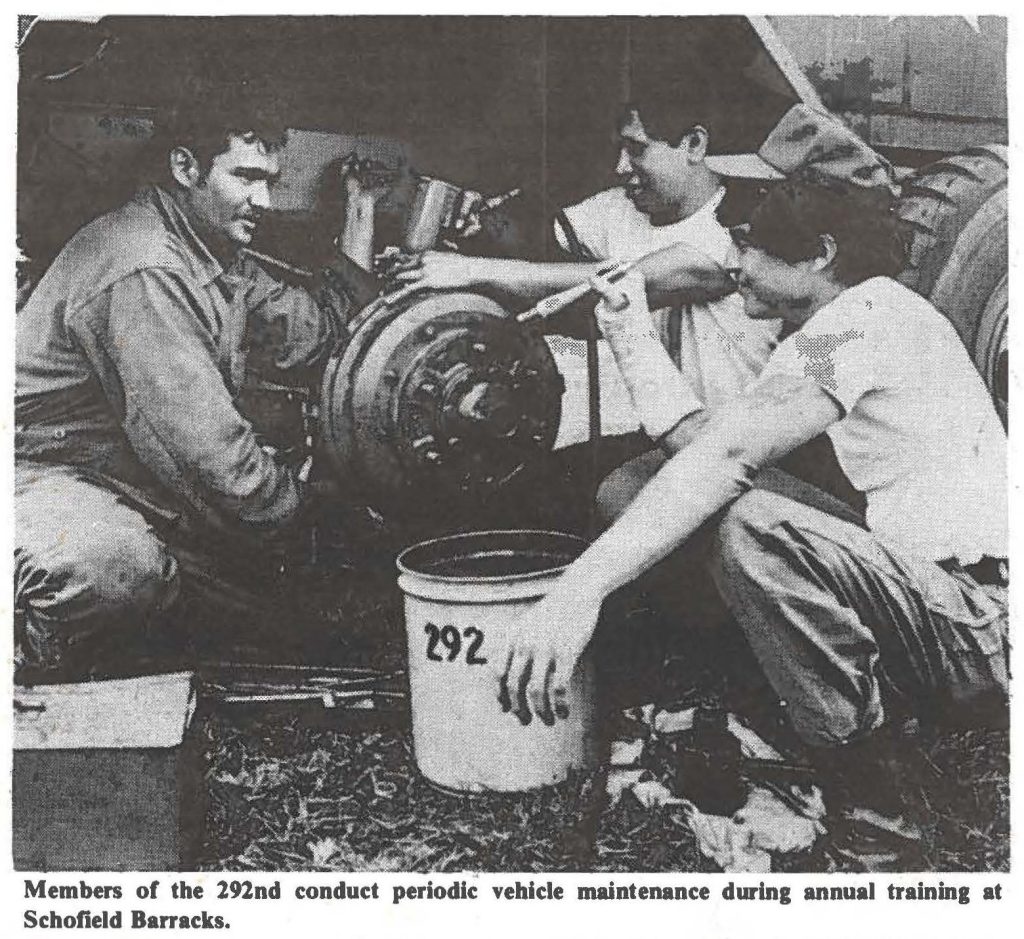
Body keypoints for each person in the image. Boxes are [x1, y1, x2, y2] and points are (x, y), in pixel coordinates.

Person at [497, 173, 1008, 853]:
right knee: (643, 485)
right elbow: (702, 446)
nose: (735, 264)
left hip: (985, 625)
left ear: (820, 253)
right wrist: (629, 330)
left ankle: (880, 816)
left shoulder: (865, 319)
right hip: (933, 602)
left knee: (755, 528)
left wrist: (577, 591)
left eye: (754, 247)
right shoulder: (839, 326)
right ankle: (790, 702)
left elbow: (729, 454)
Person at [14, 88, 383, 677]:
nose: (262, 199)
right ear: (185, 168)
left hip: (118, 475)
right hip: (36, 475)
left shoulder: (211, 253)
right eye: (244, 178)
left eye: (270, 180)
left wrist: (368, 237)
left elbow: (314, 334)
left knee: (264, 612)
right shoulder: (145, 266)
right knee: (114, 569)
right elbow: (209, 460)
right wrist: (309, 522)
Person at [384, 98, 767, 459]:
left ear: (694, 145)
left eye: (636, 149)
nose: (620, 167)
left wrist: (472, 270)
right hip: (662, 433)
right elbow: (535, 244)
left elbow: (629, 283)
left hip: (737, 442)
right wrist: (482, 222)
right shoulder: (621, 208)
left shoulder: (737, 231)